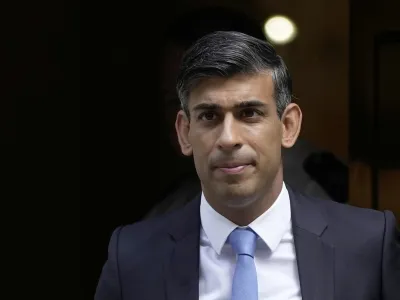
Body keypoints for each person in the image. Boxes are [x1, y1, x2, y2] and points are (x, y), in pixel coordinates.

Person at [95, 31, 399, 299]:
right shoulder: (134, 257)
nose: (228, 138)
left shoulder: (368, 244)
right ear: (184, 133)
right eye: (209, 116)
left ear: (288, 126)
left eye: (250, 113)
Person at [151, 7, 346, 219]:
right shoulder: (171, 208)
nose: (184, 121)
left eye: (247, 111)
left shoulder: (317, 193)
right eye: (172, 101)